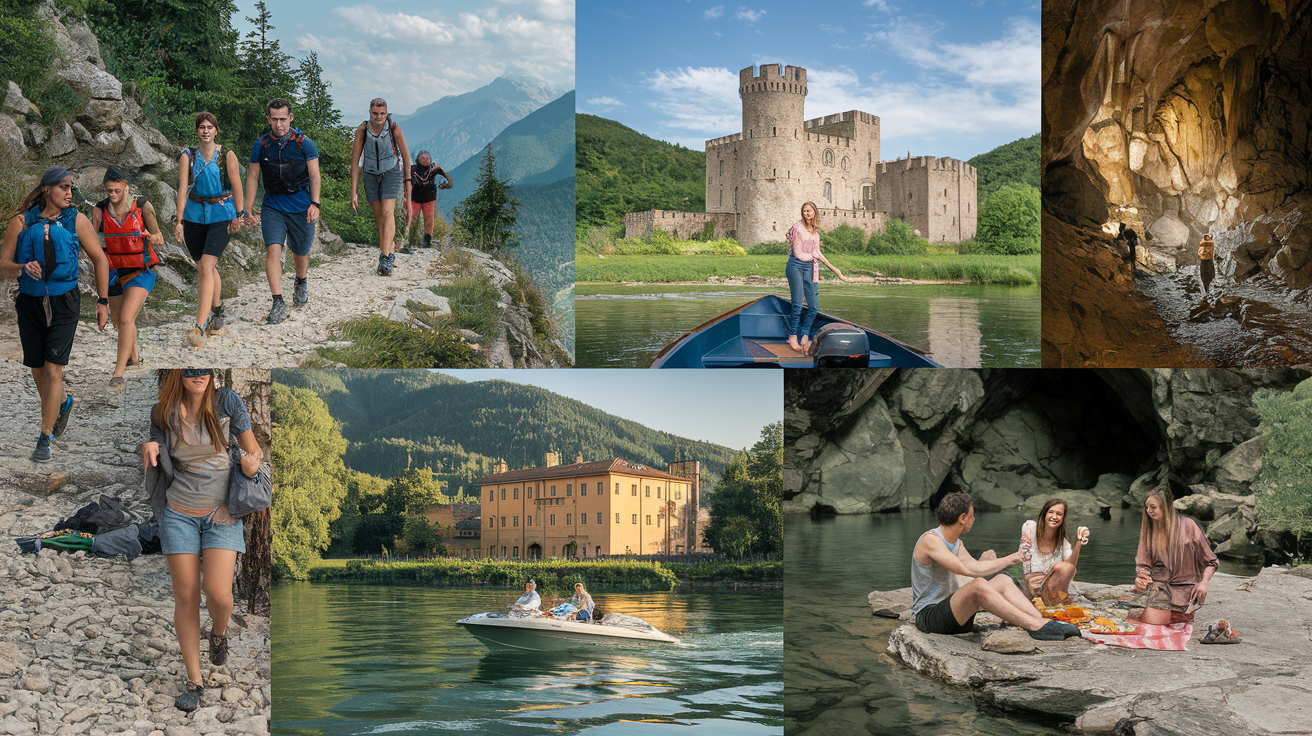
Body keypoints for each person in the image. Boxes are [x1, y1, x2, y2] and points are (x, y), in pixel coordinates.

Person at [141, 368, 262, 712]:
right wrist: (149, 444)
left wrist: (250, 467)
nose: (200, 376)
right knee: (187, 594)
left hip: (222, 514)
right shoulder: (162, 412)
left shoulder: (226, 402)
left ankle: (219, 635)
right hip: (179, 513)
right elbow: (154, 447)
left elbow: (253, 452)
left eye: (205, 371)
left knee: (220, 595)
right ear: (179, 373)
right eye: (192, 371)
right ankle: (195, 681)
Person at [1, 166, 110, 463]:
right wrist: (21, 269)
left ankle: (44, 437)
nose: (69, 193)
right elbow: (2, 266)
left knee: (53, 371)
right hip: (30, 303)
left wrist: (103, 302)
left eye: (71, 187)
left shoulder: (77, 220)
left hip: (65, 302)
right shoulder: (21, 223)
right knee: (39, 372)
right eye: (63, 187)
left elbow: (100, 259)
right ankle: (63, 402)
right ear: (47, 189)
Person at [911, 492, 1081, 640]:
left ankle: (1042, 620)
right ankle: (1035, 626)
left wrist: (1015, 558)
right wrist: (1012, 559)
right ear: (962, 518)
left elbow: (975, 566)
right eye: (972, 516)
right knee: (978, 585)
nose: (974, 519)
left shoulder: (956, 543)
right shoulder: (931, 540)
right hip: (929, 618)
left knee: (1003, 580)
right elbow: (967, 570)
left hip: (955, 613)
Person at [243, 98, 322, 322]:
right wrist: (247, 208)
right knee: (273, 251)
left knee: (300, 254)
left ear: (291, 118)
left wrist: (314, 204)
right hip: (273, 206)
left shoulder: (304, 143)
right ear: (268, 119)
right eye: (274, 119)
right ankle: (277, 302)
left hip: (300, 206)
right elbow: (252, 176)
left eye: (283, 119)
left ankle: (301, 280)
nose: (279, 124)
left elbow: (315, 175)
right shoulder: (261, 144)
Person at [175, 113, 244, 349]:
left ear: (217, 130)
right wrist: (179, 220)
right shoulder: (188, 156)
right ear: (196, 131)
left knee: (206, 267)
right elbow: (182, 189)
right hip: (194, 216)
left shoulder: (226, 156)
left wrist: (239, 215)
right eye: (201, 127)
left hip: (221, 215)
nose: (206, 131)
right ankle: (218, 310)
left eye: (210, 127)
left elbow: (236, 186)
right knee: (205, 268)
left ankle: (199, 326)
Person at [91, 169, 165, 388]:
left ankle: (118, 373)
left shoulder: (143, 206)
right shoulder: (100, 209)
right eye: (108, 191)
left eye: (116, 190)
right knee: (119, 323)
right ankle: (134, 359)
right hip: (113, 272)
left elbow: (159, 237)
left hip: (140, 271)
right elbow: (94, 240)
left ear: (126, 186)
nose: (112, 194)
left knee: (125, 319)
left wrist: (149, 236)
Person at [1132, 486, 1218, 625]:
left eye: (1153, 507)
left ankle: (1179, 614)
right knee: (1126, 613)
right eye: (1147, 507)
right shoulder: (1149, 528)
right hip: (1157, 587)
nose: (1149, 511)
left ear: (1165, 507)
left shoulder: (1188, 525)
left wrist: (1204, 583)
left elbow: (1211, 562)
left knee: (1152, 622)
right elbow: (1143, 564)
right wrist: (1142, 576)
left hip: (1184, 589)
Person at [350, 98, 412, 276]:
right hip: (369, 173)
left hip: (391, 172)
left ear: (386, 113)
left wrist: (407, 181)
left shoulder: (393, 128)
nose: (378, 117)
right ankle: (389, 248)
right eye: (375, 113)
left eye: (382, 113)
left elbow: (406, 156)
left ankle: (385, 258)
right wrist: (353, 191)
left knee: (387, 212)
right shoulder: (362, 131)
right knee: (379, 216)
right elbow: (355, 163)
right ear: (369, 112)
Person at [785, 202, 850, 354]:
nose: (807, 213)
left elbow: (818, 253)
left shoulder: (815, 232)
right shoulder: (797, 228)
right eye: (804, 211)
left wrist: (836, 271)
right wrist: (812, 255)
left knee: (814, 306)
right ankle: (792, 336)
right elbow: (797, 252)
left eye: (810, 210)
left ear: (815, 212)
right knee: (797, 304)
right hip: (795, 265)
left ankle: (804, 336)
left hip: (809, 267)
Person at [1020, 498, 1089, 605]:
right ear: (1044, 514)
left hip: (1050, 590)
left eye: (1059, 514)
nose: (1054, 517)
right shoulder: (1030, 528)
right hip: (1031, 587)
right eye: (1051, 512)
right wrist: (1028, 580)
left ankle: (1053, 601)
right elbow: (1024, 556)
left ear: (1063, 518)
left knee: (1065, 567)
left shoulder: (1064, 544)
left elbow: (1069, 570)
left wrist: (1079, 542)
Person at [408, 150, 452, 248]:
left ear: (431, 160)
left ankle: (427, 241)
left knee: (429, 218)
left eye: (427, 158)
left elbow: (449, 179)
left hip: (429, 196)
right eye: (422, 158)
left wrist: (446, 184)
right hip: (415, 196)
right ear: (417, 160)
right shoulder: (412, 169)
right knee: (413, 217)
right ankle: (412, 239)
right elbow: (404, 177)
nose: (425, 160)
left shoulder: (435, 169)